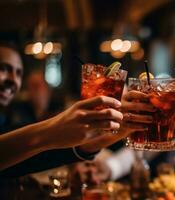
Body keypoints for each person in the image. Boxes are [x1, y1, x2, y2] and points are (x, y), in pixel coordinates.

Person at [0, 42, 151, 176]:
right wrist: (55, 127)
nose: (13, 80)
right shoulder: (17, 113)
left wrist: (119, 132)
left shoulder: (5, 118)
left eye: (19, 73)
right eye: (3, 69)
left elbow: (29, 157)